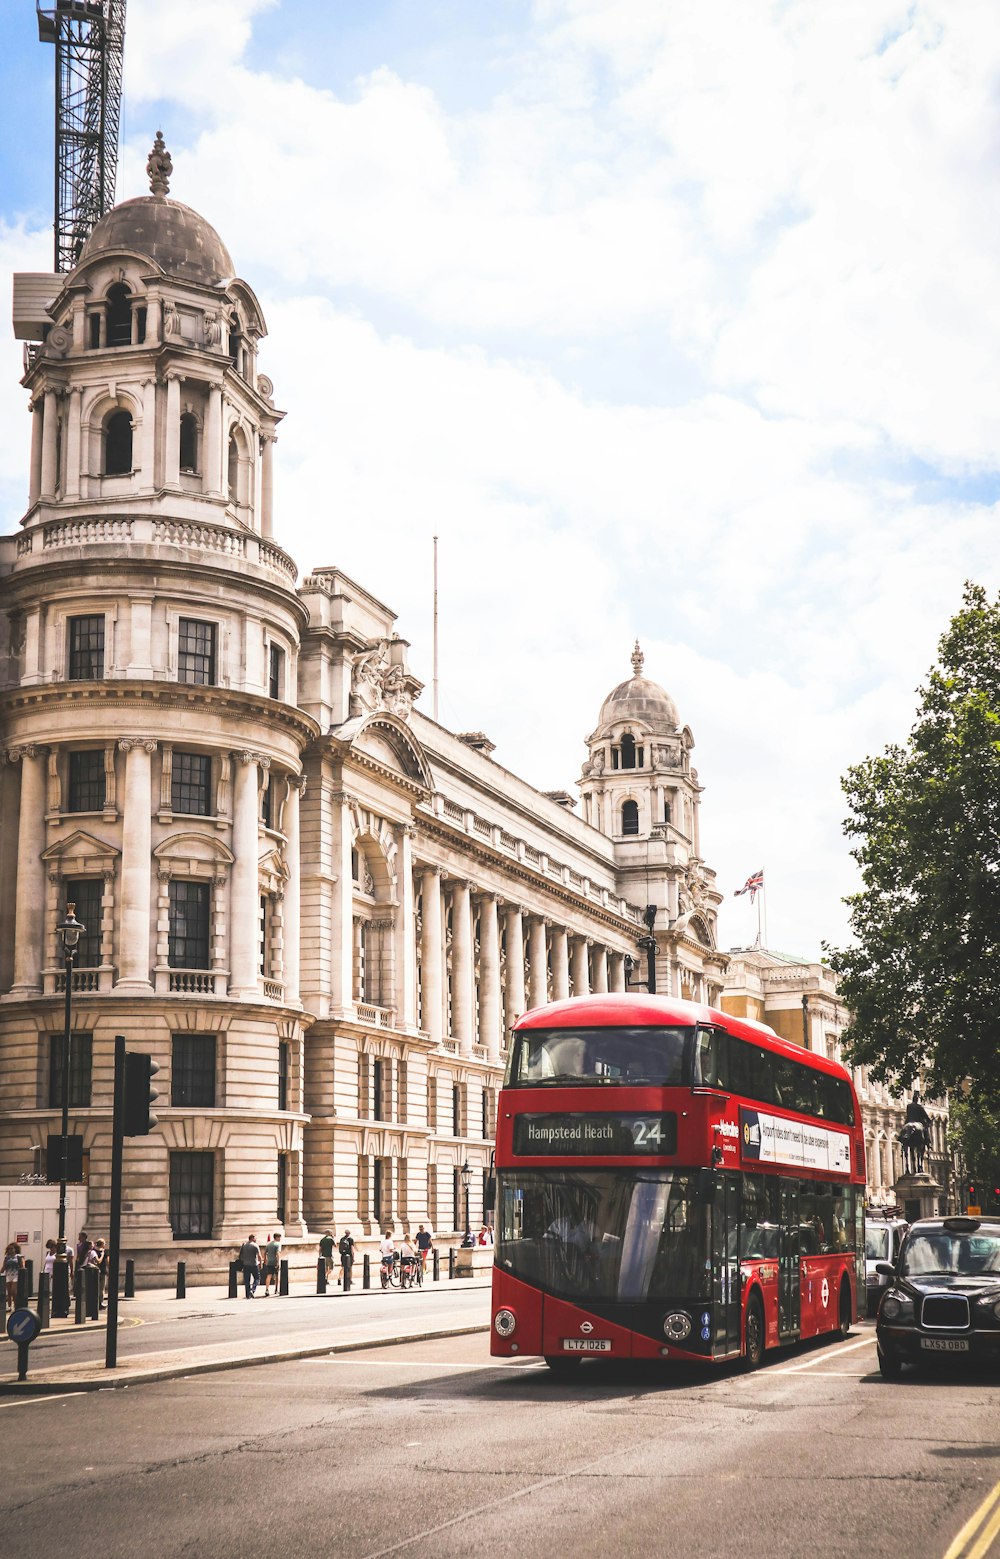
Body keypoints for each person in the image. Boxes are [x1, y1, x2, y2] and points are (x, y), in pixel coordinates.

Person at [238, 1234, 261, 1298]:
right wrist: (261, 1264)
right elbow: (259, 1256)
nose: (256, 1239)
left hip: (245, 1264)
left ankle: (247, 1294)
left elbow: (240, 1255)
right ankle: (252, 1290)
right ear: (252, 1238)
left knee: (247, 1280)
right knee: (257, 1278)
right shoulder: (255, 1245)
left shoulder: (244, 1245)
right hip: (254, 1264)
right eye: (255, 1238)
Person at [3, 1242, 23, 1314]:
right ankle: (9, 1306)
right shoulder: (7, 1258)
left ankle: (15, 1305)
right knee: (9, 1292)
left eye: (12, 1249)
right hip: (8, 1275)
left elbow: (22, 1266)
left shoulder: (18, 1257)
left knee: (13, 1291)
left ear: (15, 1249)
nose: (10, 1250)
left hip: (16, 1275)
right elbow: (4, 1267)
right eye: (9, 1249)